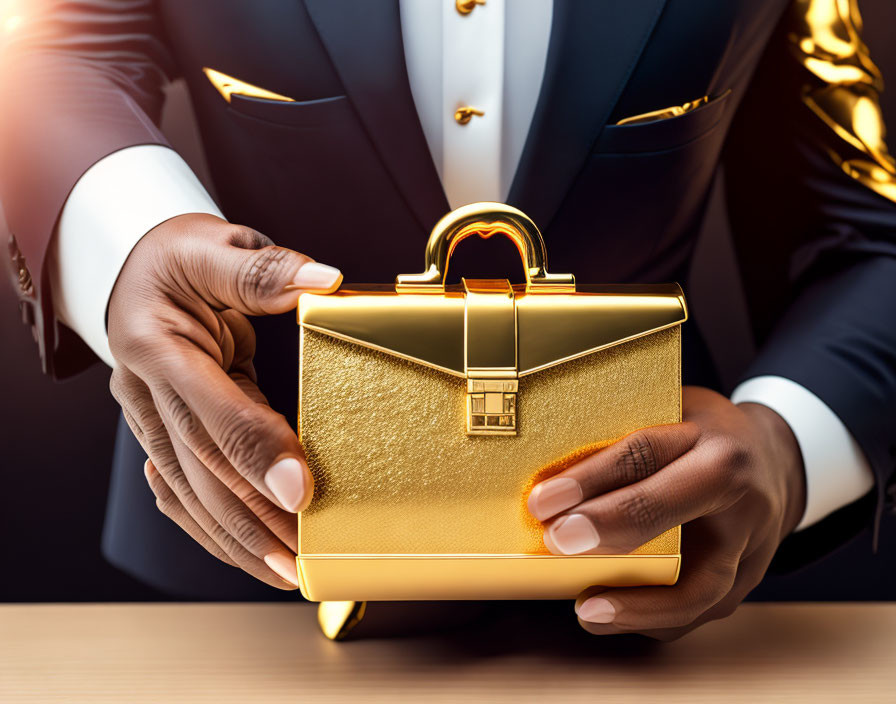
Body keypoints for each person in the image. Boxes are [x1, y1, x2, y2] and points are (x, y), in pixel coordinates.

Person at [2, 0, 895, 640]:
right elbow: (50, 48)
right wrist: (128, 246)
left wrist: (788, 443)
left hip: (661, 574)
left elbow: (868, 241)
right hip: (246, 570)